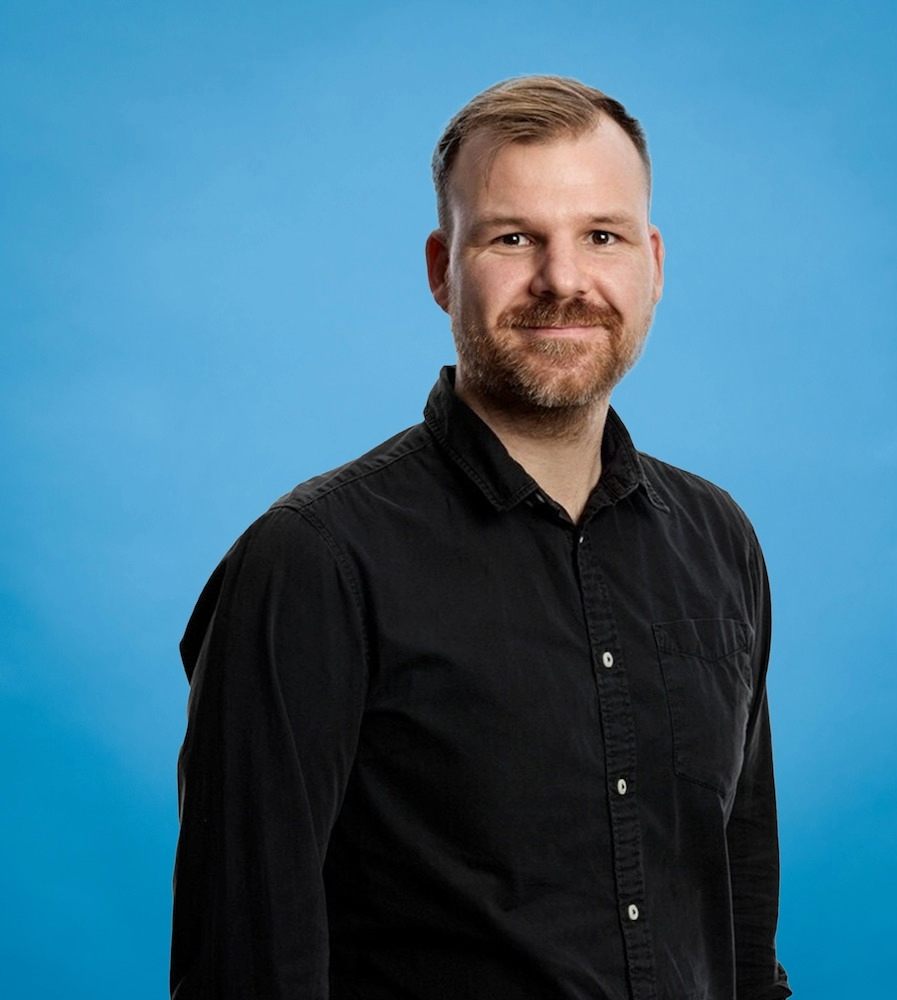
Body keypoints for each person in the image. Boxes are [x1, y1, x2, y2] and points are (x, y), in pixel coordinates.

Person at [171, 75, 792, 1000]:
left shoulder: (718, 541)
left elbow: (737, 929)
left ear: (653, 263)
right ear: (441, 268)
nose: (563, 280)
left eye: (602, 236)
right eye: (513, 238)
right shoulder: (312, 563)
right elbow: (244, 970)